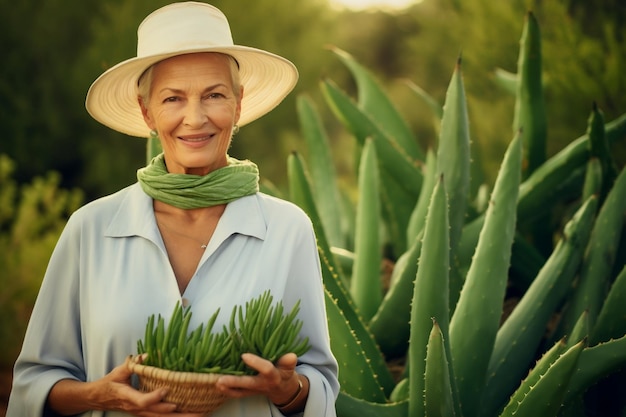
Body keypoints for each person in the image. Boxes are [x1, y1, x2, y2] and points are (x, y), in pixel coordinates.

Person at [6, 2, 339, 416]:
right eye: (173, 99)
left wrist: (287, 389)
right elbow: (35, 382)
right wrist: (99, 395)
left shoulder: (288, 228)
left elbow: (320, 383)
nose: (195, 118)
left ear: (238, 103)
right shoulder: (91, 228)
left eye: (214, 95)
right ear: (147, 112)